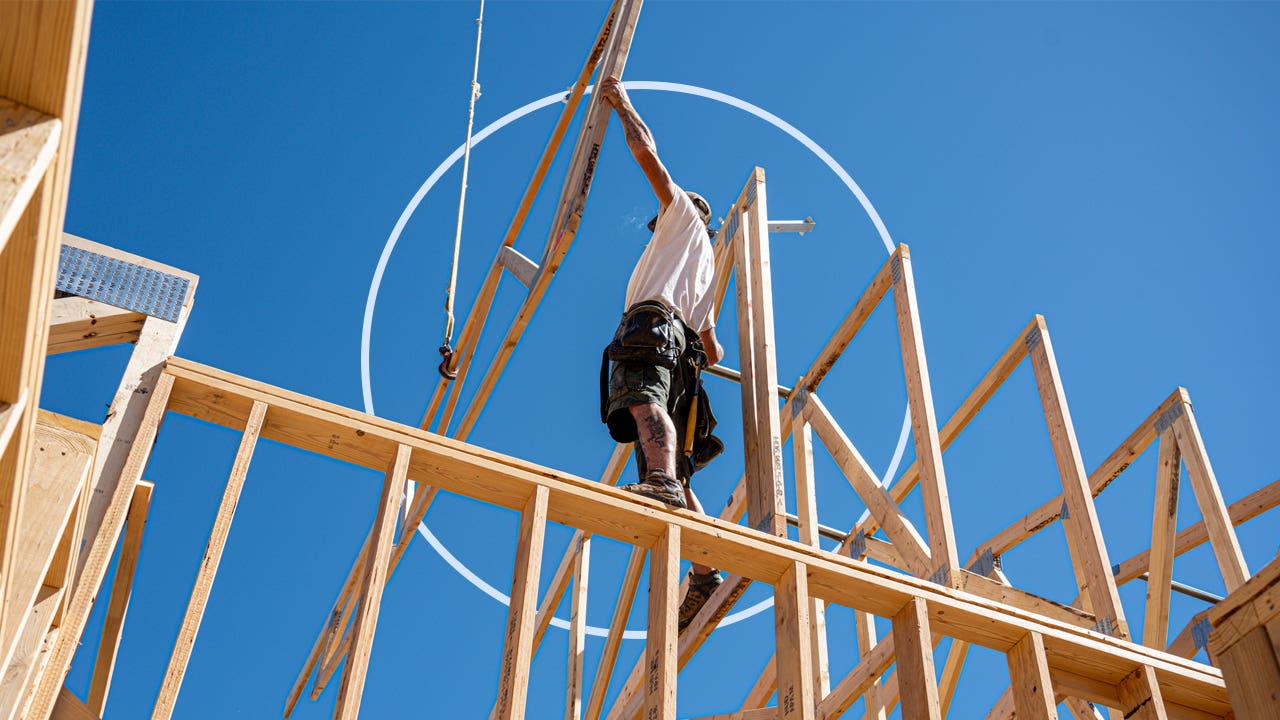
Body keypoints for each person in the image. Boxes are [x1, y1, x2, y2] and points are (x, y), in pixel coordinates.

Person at [597, 75, 725, 630]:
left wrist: (620, 102)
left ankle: (665, 489)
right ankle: (702, 569)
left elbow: (645, 151)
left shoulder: (682, 220)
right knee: (665, 453)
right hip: (679, 349)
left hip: (650, 330)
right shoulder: (703, 272)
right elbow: (713, 349)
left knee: (644, 404)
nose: (655, 222)